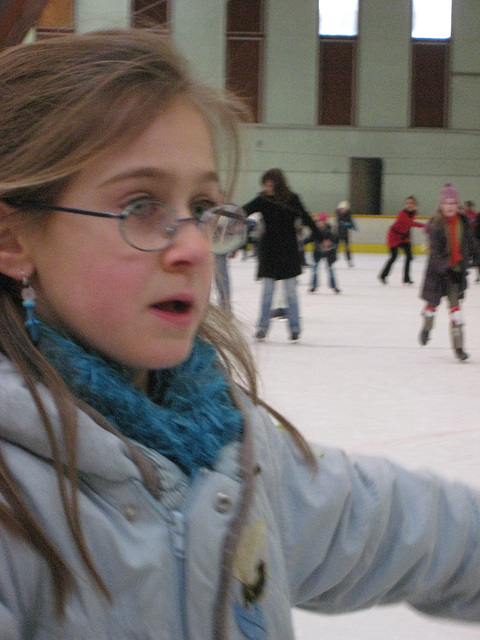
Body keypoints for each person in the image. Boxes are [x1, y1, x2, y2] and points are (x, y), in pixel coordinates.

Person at [1, 30, 480, 640]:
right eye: (140, 205)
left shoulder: (237, 454)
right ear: (15, 239)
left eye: (203, 206)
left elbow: (411, 531)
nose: (197, 246)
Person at [242, 168, 324, 342]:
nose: (267, 188)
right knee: (267, 292)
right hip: (269, 251)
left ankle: (294, 328)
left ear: (278, 185)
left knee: (291, 293)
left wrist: (321, 237)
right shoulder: (262, 200)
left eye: (270, 185)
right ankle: (262, 328)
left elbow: (307, 218)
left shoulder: (292, 199)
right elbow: (244, 211)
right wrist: (228, 214)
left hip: (288, 252)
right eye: (265, 184)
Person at [419, 183, 478, 361]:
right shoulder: (436, 226)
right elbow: (435, 255)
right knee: (432, 306)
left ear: (458, 205)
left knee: (456, 310)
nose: (450, 206)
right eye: (447, 203)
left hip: (456, 274)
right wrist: (447, 269)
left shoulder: (464, 223)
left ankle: (459, 348)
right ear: (441, 205)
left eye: (453, 203)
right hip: (437, 275)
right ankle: (427, 327)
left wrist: (477, 258)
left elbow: (472, 244)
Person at [379, 195, 425, 284]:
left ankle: (406, 278)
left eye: (411, 203)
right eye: (407, 203)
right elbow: (410, 223)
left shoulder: (414, 213)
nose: (409, 205)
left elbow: (407, 227)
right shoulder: (402, 213)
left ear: (415, 204)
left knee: (409, 257)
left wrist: (409, 239)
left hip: (404, 237)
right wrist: (425, 226)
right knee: (394, 256)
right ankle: (383, 275)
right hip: (394, 236)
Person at [307, 213, 341, 293]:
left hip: (328, 253)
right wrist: (303, 242)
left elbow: (336, 240)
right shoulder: (315, 231)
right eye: (317, 221)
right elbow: (310, 238)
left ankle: (334, 286)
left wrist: (331, 247)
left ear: (325, 221)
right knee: (314, 268)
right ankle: (314, 285)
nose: (318, 223)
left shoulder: (330, 231)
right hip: (317, 252)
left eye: (320, 221)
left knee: (330, 269)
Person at [335, 200, 356, 266]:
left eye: (343, 209)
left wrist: (350, 225)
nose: (341, 210)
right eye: (340, 209)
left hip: (345, 234)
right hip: (338, 234)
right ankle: (332, 259)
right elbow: (339, 223)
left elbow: (351, 224)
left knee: (347, 248)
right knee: (335, 247)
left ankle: (349, 261)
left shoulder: (348, 216)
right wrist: (346, 224)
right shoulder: (338, 215)